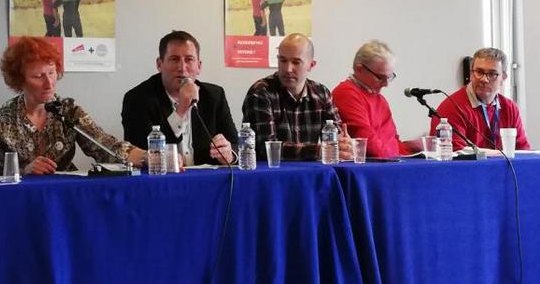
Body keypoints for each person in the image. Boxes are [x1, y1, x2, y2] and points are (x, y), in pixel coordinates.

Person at [0, 36, 144, 174]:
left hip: (65, 194)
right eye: (38, 76)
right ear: (19, 80)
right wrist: (24, 170)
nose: (49, 84)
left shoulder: (69, 111)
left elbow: (106, 146)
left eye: (52, 73)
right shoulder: (0, 122)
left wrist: (153, 157)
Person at [121, 30, 237, 165]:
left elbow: (236, 145)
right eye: (174, 59)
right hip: (161, 182)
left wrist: (230, 155)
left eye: (189, 59)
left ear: (199, 66)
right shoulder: (137, 99)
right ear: (159, 64)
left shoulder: (214, 95)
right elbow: (140, 153)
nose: (182, 68)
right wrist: (182, 108)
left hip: (206, 180)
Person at [243, 33, 350, 161]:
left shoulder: (322, 93)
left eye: (296, 62)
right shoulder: (261, 92)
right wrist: (319, 151)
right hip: (272, 174)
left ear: (311, 65)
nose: (288, 69)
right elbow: (266, 148)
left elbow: (336, 139)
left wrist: (344, 144)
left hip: (310, 173)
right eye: (283, 60)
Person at [431, 47, 530, 151]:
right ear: (471, 74)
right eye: (479, 72)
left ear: (503, 78)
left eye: (492, 74)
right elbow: (455, 157)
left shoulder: (510, 108)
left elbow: (523, 152)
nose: (484, 79)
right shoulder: (452, 107)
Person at [332, 40, 420, 157]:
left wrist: (414, 149)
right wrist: (396, 158)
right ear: (359, 69)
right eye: (380, 77)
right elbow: (368, 143)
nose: (386, 84)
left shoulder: (380, 100)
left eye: (389, 77)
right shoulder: (346, 94)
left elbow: (392, 141)